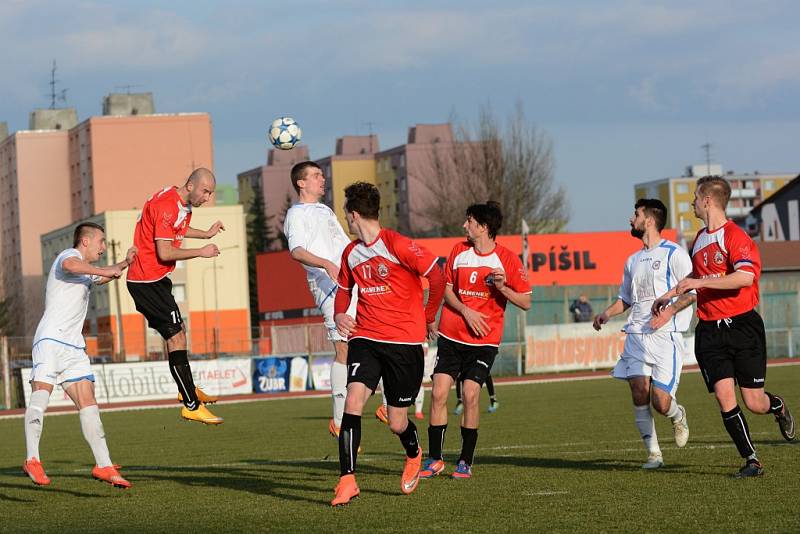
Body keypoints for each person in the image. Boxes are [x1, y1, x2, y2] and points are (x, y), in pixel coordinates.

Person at [652, 176, 795, 478]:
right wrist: (670, 300)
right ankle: (752, 461)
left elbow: (745, 277)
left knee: (754, 402)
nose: (691, 202)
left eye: (694, 196)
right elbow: (698, 288)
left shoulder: (735, 236)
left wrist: (700, 281)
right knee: (723, 397)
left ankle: (779, 407)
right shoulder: (698, 240)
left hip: (742, 326)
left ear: (706, 200)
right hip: (710, 331)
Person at [330, 182, 445, 506]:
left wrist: (428, 315)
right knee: (353, 401)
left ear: (354, 215)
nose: (347, 221)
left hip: (404, 344)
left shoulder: (397, 244)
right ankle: (347, 480)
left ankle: (414, 452)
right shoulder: (351, 253)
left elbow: (436, 276)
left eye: (347, 215)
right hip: (365, 338)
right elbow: (343, 288)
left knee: (397, 421)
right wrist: (340, 315)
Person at [420, 201, 531, 481]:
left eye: (469, 221)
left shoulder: (507, 259)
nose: (464, 226)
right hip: (451, 335)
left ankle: (465, 461)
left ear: (483, 227)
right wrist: (466, 311)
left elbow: (526, 302)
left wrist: (503, 287)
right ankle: (434, 460)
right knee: (439, 393)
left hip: (483, 341)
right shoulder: (458, 251)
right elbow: (445, 290)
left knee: (470, 395)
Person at [23, 223, 136, 488]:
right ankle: (32, 459)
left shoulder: (87, 271)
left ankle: (104, 464)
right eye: (101, 241)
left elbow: (108, 275)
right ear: (85, 241)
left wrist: (125, 262)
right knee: (42, 394)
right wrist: (104, 269)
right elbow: (73, 267)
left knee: (88, 400)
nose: (103, 247)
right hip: (50, 339)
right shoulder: (67, 256)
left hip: (73, 346)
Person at [593, 199, 693, 469]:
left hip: (665, 337)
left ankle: (677, 414)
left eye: (635, 214)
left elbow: (692, 292)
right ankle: (654, 454)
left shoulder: (675, 254)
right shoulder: (632, 260)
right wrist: (607, 313)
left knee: (661, 403)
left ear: (648, 220)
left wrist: (669, 313)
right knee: (639, 392)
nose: (631, 219)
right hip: (636, 334)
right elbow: (625, 299)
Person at [126, 167, 225, 425]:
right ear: (190, 185)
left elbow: (176, 230)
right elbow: (166, 252)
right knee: (177, 336)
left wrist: (205, 233)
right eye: (205, 191)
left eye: (211, 193)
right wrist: (201, 251)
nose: (207, 197)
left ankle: (186, 389)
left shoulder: (180, 203)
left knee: (179, 332)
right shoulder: (167, 205)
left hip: (155, 279)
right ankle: (191, 403)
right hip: (147, 280)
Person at [283, 161, 357, 440]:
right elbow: (297, 251)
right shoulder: (296, 214)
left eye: (322, 175)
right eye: (315, 176)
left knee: (370, 341)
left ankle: (387, 406)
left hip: (350, 283)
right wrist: (327, 264)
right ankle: (339, 422)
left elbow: (344, 244)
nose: (322, 179)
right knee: (344, 351)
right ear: (301, 183)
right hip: (326, 286)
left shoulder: (325, 210)